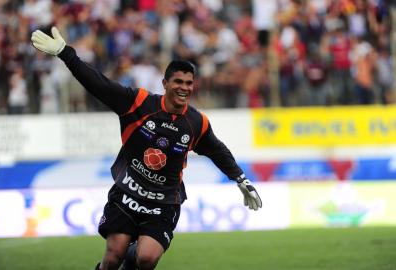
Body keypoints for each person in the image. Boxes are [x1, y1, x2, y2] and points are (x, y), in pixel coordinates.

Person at [31, 27, 262, 270]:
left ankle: (133, 255)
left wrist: (241, 179)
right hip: (127, 193)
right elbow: (100, 85)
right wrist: (65, 54)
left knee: (146, 258)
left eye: (189, 83)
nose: (184, 88)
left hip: (164, 202)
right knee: (112, 258)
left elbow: (218, 150)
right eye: (178, 82)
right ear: (164, 83)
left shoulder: (196, 123)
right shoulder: (138, 103)